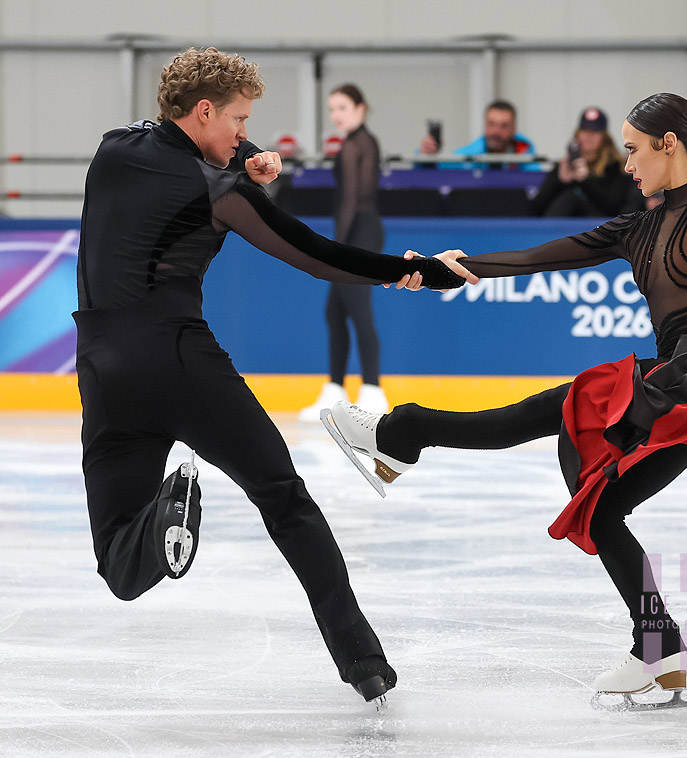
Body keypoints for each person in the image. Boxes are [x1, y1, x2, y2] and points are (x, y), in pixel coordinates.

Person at [324, 92, 687, 708]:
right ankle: (659, 643)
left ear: (668, 144)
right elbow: (543, 256)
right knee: (599, 501)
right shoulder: (637, 225)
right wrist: (449, 268)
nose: (627, 164)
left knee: (557, 419)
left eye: (634, 149)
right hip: (668, 382)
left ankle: (401, 435)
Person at [74, 47, 465, 705]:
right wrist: (415, 272)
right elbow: (313, 254)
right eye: (239, 119)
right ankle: (363, 661)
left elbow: (178, 144)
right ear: (205, 112)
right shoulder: (220, 192)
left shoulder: (113, 149)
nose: (245, 133)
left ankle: (165, 514)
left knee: (120, 564)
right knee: (283, 497)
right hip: (177, 359)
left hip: (101, 368)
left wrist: (242, 152)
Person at [299, 84, 389, 421]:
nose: (337, 115)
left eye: (342, 108)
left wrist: (334, 249)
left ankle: (373, 391)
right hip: (360, 232)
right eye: (333, 109)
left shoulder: (355, 144)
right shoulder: (362, 142)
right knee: (335, 313)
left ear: (361, 108)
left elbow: (351, 200)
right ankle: (335, 389)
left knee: (358, 311)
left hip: (358, 233)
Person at [531, 107, 640, 217]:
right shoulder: (565, 166)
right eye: (585, 130)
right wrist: (559, 181)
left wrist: (586, 180)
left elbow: (615, 207)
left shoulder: (616, 167)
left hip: (598, 228)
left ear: (604, 136)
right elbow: (536, 208)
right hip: (561, 228)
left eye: (595, 131)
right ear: (578, 134)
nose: (589, 136)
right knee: (568, 198)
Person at [418, 100, 539, 170]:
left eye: (504, 126)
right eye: (491, 124)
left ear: (513, 128)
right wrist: (426, 157)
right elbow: (431, 174)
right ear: (484, 125)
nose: (496, 131)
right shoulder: (466, 158)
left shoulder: (527, 158)